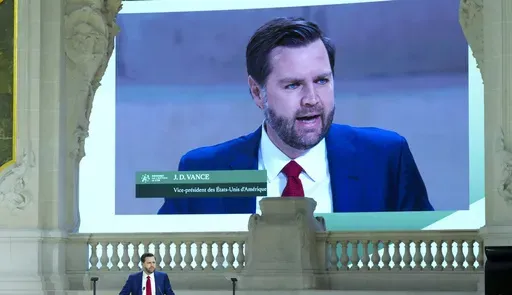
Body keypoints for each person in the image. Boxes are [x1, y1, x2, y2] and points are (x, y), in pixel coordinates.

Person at [158, 17, 433, 215]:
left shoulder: (387, 159)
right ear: (257, 92)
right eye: (293, 85)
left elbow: (427, 269)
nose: (312, 99)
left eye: (322, 81)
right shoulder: (202, 172)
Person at [117, 252, 181, 295]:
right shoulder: (134, 278)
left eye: (153, 262)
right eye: (149, 263)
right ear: (143, 264)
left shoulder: (162, 277)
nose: (152, 265)